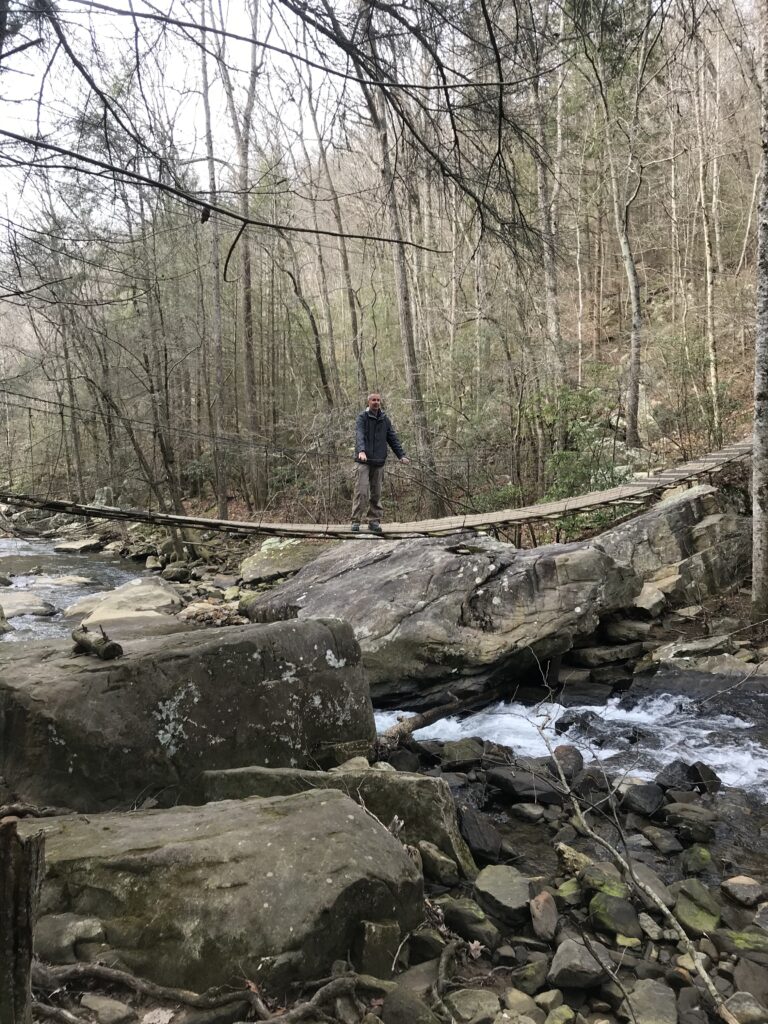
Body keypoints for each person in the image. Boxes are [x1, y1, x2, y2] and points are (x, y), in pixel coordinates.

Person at [351, 393, 409, 533]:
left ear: (380, 402)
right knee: (362, 491)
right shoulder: (362, 418)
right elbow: (359, 435)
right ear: (368, 402)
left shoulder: (384, 419)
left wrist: (401, 455)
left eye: (378, 400)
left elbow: (392, 438)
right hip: (363, 461)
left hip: (379, 462)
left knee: (376, 493)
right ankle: (355, 521)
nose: (376, 402)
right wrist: (361, 450)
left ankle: (374, 521)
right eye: (373, 400)